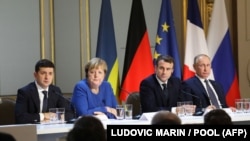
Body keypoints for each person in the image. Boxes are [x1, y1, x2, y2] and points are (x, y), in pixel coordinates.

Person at [15, 59, 75, 124]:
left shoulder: (56, 91)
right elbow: (20, 117)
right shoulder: (25, 92)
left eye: (50, 73)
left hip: (51, 130)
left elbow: (69, 113)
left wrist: (57, 117)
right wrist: (43, 116)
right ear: (35, 75)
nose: (47, 77)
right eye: (43, 73)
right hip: (32, 130)